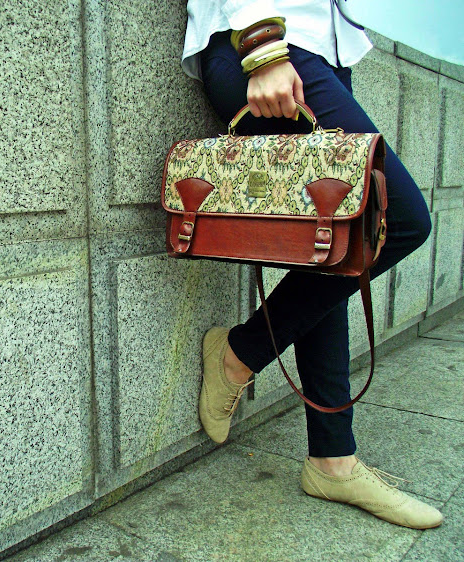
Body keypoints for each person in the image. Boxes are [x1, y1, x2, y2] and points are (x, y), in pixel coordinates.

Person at [182, 0, 443, 529]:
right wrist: (261, 44)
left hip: (322, 51)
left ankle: (332, 459)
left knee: (339, 244)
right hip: (266, 42)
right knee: (400, 220)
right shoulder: (265, 45)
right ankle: (240, 352)